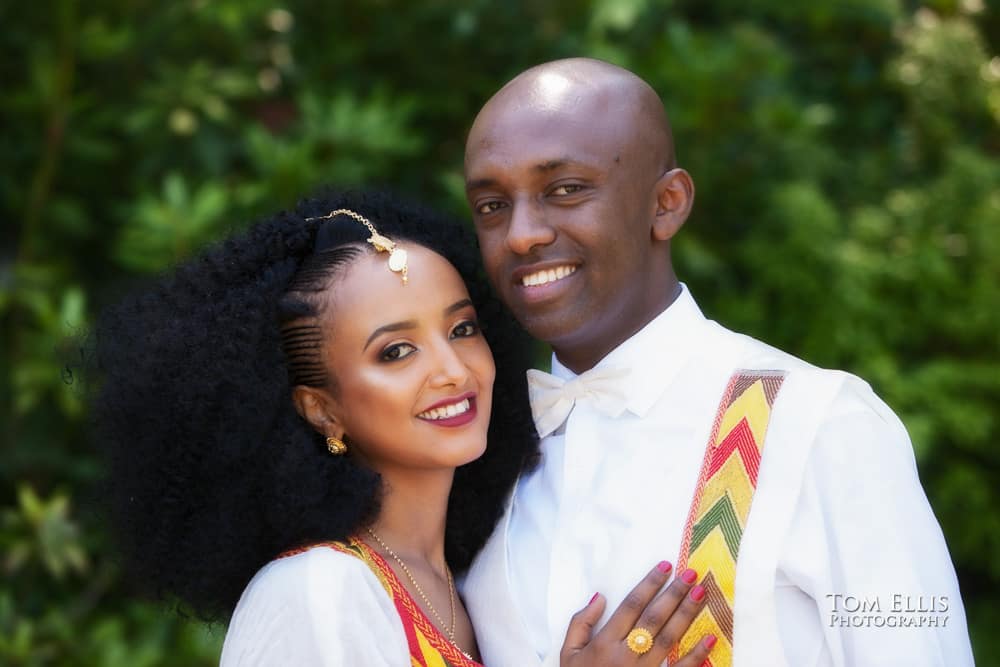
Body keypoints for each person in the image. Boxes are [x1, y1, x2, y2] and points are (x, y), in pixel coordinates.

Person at [461, 58, 976, 667]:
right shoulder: (472, 454)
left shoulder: (822, 426)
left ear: (667, 203)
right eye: (492, 205)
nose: (521, 234)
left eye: (565, 190)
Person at [92, 189, 718, 666]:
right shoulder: (316, 591)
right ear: (321, 409)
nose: (453, 370)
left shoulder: (475, 581)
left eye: (462, 329)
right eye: (395, 352)